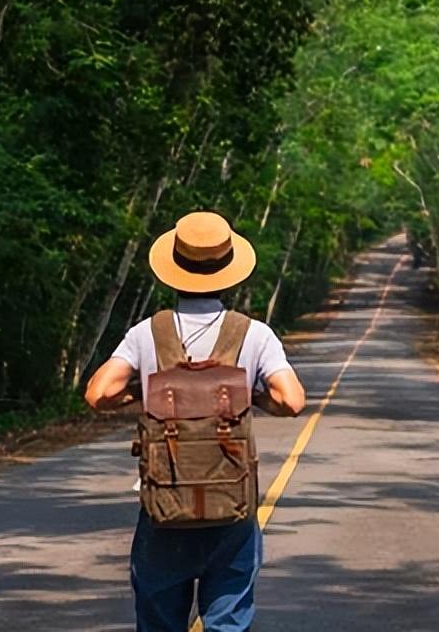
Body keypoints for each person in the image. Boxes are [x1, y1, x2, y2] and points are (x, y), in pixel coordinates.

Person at [85, 211, 307, 632]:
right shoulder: (254, 334)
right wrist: (250, 397)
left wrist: (144, 394)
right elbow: (291, 400)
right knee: (227, 622)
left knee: (159, 622)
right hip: (231, 510)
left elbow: (98, 394)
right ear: (229, 273)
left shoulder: (146, 333)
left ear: (173, 271)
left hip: (165, 511)